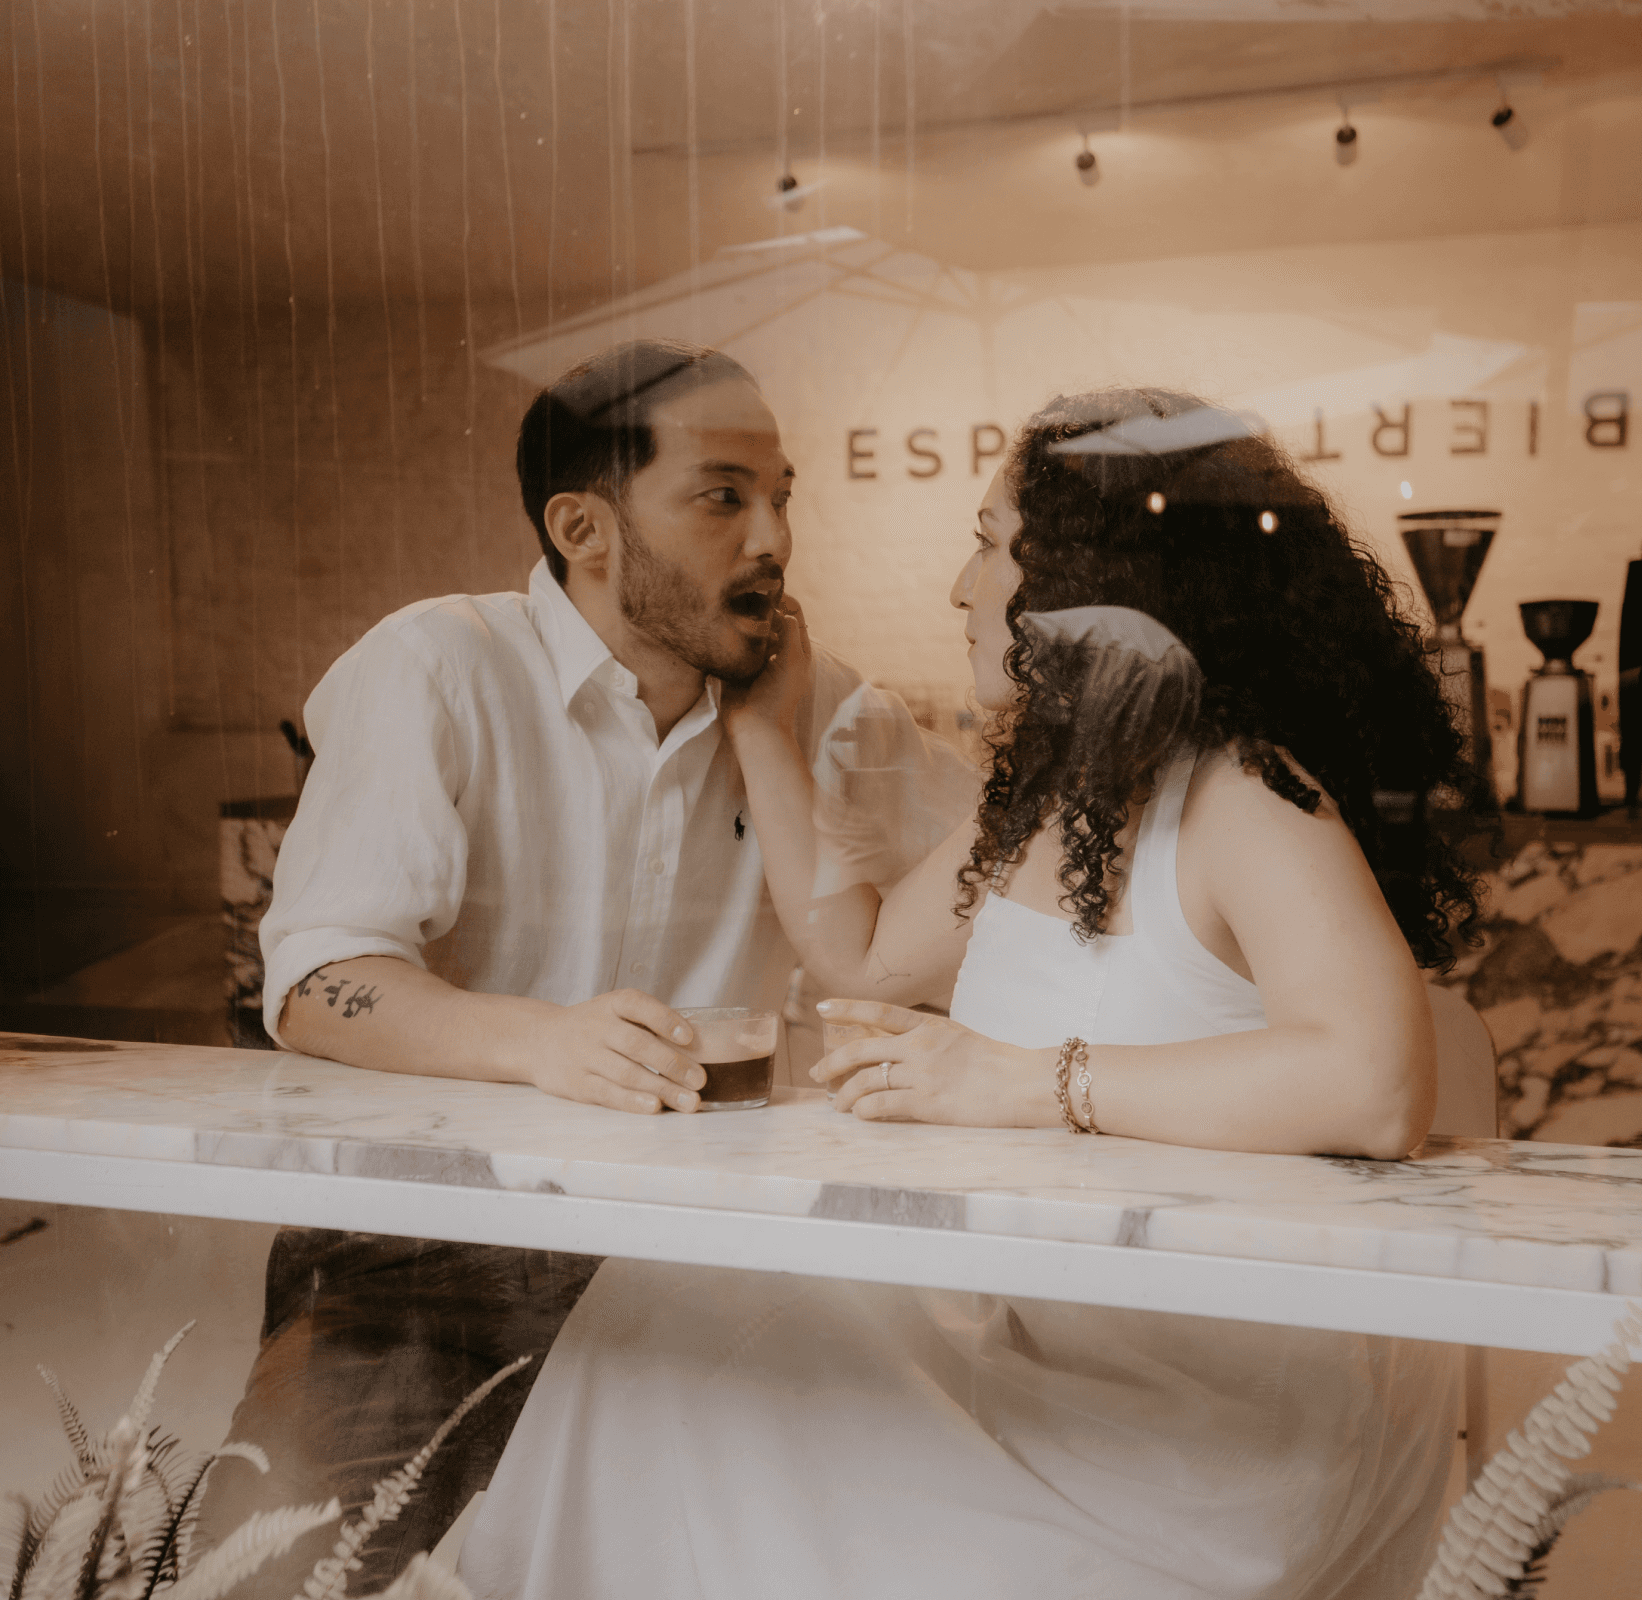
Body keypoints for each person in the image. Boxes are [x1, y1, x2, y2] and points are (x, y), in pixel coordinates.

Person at [458, 389, 1485, 1599]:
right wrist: (765, 732)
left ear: (1098, 578)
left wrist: (1018, 1081)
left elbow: (1374, 1087)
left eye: (992, 543)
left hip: (1215, 1404)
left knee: (696, 1383)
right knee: (663, 1317)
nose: (961, 585)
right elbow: (863, 955)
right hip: (1055, 1329)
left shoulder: (1245, 788)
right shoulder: (1059, 793)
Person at [199, 339, 974, 1594]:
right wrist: (540, 1040)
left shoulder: (827, 709)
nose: (774, 537)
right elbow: (313, 981)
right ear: (584, 527)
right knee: (261, 1579)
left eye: (784, 497)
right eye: (724, 494)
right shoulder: (436, 665)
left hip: (714, 1260)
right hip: (423, 1246)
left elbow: (1015, 880)